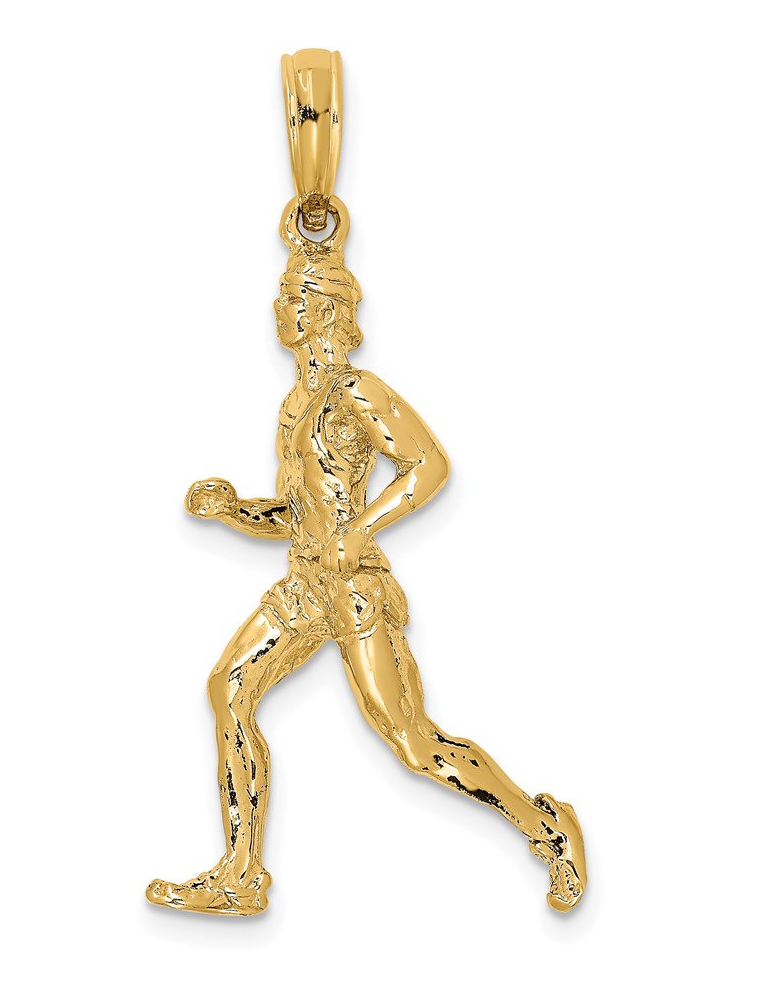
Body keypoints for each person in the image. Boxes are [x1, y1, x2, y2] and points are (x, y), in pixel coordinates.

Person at [146, 232, 586, 915]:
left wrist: (361, 530)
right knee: (228, 689)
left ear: (324, 311)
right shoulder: (295, 405)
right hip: (306, 583)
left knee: (413, 742)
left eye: (292, 297)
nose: (278, 308)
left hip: (353, 589)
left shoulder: (356, 390)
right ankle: (241, 874)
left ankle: (546, 829)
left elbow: (428, 466)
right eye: (282, 295)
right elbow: (298, 516)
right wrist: (235, 511)